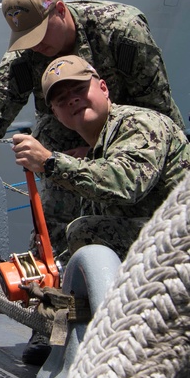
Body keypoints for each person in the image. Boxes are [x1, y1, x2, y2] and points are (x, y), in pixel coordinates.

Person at [0, 0, 182, 367]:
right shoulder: (27, 55)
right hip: (63, 129)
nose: (36, 46)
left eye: (39, 33)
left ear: (60, 11)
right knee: (54, 218)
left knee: (135, 215)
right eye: (26, 38)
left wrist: (104, 147)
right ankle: (52, 324)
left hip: (128, 130)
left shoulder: (120, 29)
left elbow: (155, 104)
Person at [12, 55, 190, 258]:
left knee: (86, 230)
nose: (72, 100)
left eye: (79, 89)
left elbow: (126, 184)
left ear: (104, 88)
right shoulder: (98, 149)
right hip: (166, 241)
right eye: (61, 99)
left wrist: (50, 162)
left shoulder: (139, 123)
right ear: (56, 115)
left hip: (181, 241)